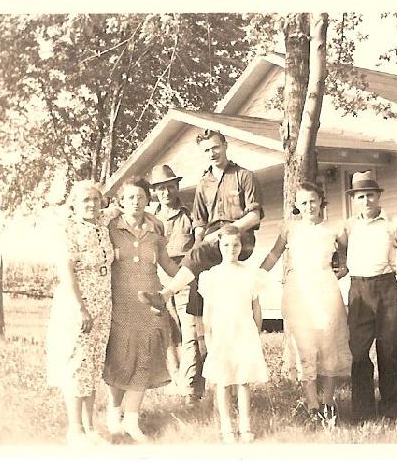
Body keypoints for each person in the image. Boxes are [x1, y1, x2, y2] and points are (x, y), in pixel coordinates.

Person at [137, 130, 264, 319]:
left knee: (198, 255)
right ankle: (201, 337)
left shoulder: (244, 176)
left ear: (225, 146)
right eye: (206, 150)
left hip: (240, 237)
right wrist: (198, 243)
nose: (212, 153)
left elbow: (254, 216)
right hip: (211, 240)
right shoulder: (204, 183)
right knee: (197, 274)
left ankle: (164, 295)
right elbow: (200, 222)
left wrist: (224, 232)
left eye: (215, 147)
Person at [259, 181, 352, 430]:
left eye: (313, 200)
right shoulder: (290, 229)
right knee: (305, 345)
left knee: (329, 343)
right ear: (297, 206)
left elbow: (346, 253)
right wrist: (256, 276)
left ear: (321, 200)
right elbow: (273, 254)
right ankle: (312, 405)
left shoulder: (334, 229)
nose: (309, 206)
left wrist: (343, 266)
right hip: (298, 289)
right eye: (303, 202)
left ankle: (329, 401)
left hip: (325, 288)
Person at [341, 170, 397, 422]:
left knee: (391, 351)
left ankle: (394, 411)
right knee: (358, 353)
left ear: (378, 197)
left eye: (370, 195)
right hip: (358, 291)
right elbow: (339, 256)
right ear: (353, 199)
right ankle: (363, 412)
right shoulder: (348, 226)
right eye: (360, 196)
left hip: (387, 290)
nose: (366, 201)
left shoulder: (394, 224)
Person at [103, 176, 180, 443]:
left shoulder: (155, 234)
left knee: (144, 358)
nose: (136, 202)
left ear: (149, 200)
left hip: (149, 303)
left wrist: (195, 268)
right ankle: (114, 415)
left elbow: (170, 267)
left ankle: (133, 420)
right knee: (120, 357)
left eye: (141, 197)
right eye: (130, 197)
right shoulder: (110, 227)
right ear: (121, 201)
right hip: (119, 303)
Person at [46, 180, 115, 446]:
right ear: (73, 204)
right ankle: (74, 429)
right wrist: (80, 307)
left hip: (103, 305)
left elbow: (124, 208)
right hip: (78, 304)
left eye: (95, 200)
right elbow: (66, 270)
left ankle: (90, 428)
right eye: (85, 200)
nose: (91, 204)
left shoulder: (101, 224)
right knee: (77, 364)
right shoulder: (68, 228)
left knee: (94, 364)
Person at [198, 225, 268, 443]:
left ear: (242, 246)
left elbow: (256, 306)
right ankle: (227, 426)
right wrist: (207, 335)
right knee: (223, 381)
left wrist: (256, 331)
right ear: (219, 245)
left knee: (243, 379)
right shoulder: (211, 276)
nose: (231, 248)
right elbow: (207, 310)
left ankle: (245, 426)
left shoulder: (249, 273)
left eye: (235, 244)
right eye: (226, 244)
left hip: (244, 331)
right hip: (221, 331)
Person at [148, 164, 205, 404]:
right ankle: (176, 380)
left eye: (170, 187)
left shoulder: (190, 214)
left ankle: (192, 388)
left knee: (191, 332)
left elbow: (200, 248)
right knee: (167, 333)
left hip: (186, 278)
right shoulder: (150, 219)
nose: (166, 193)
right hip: (158, 279)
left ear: (177, 187)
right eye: (161, 189)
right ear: (155, 192)